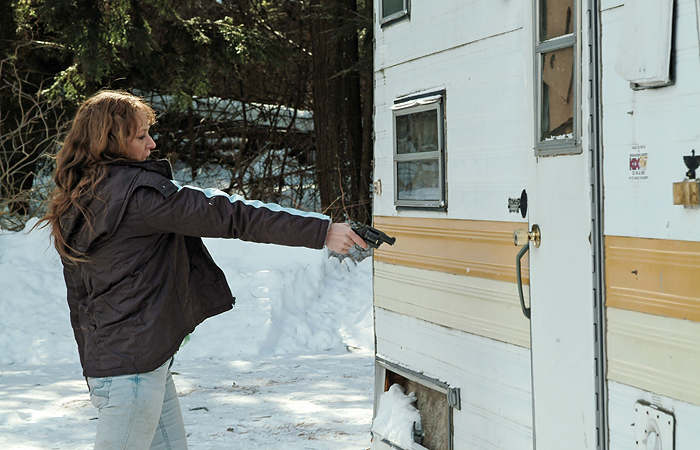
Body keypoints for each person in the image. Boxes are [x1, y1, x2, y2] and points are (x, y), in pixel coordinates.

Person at [37, 90, 367, 450]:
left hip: (132, 365)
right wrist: (322, 232)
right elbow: (232, 215)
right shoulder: (139, 198)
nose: (152, 143)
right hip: (131, 375)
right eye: (140, 135)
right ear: (111, 143)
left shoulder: (85, 194)